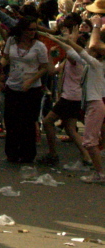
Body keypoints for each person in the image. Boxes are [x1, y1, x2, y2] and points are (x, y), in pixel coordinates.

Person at [37, 12, 91, 167]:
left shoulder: (75, 59)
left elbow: (71, 51)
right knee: (70, 128)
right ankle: (86, 155)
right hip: (73, 97)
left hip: (71, 97)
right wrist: (48, 54)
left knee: (47, 122)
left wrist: (67, 40)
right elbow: (52, 71)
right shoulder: (69, 61)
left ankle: (53, 153)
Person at [0, 16, 49, 164]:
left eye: (35, 30)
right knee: (11, 121)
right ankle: (12, 153)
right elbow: (6, 58)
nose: (32, 33)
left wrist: (31, 80)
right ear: (22, 30)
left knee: (27, 122)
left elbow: (44, 67)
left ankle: (27, 154)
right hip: (12, 86)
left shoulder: (39, 46)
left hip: (31, 88)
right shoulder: (12, 42)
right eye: (29, 30)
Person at [75, 12, 105, 182]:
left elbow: (89, 47)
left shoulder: (97, 63)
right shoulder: (94, 63)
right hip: (95, 103)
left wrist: (96, 25)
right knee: (93, 140)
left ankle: (100, 173)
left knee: (90, 142)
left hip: (96, 103)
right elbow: (79, 52)